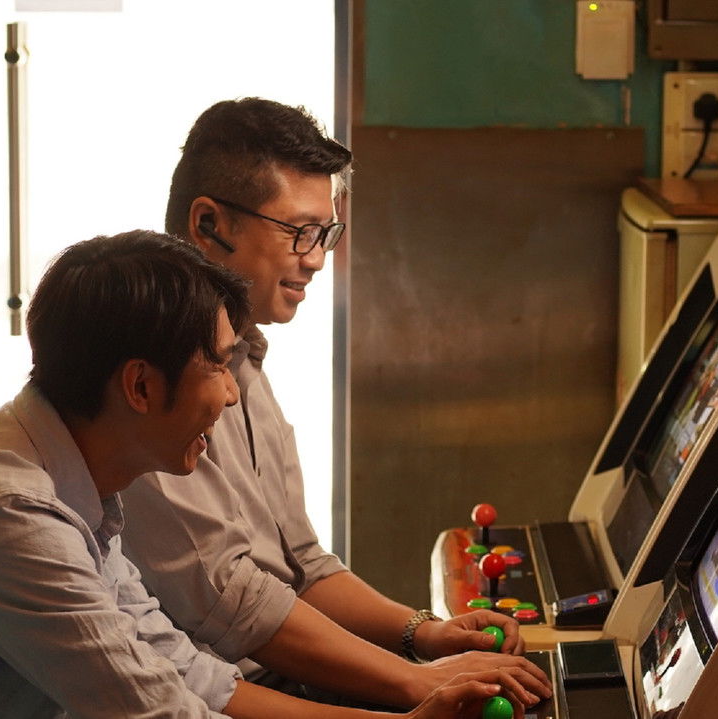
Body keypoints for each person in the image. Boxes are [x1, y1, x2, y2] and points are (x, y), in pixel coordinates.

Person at [0, 230, 530, 719]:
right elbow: (155, 709)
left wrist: (412, 697)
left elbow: (189, 675)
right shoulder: (9, 515)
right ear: (139, 385)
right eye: (218, 366)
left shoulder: (78, 482)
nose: (229, 394)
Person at [119, 98, 552, 711]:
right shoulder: (153, 385)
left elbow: (303, 566)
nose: (318, 258)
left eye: (326, 233)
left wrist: (426, 634)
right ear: (208, 223)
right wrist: (417, 680)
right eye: (299, 232)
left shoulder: (244, 357)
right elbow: (232, 605)